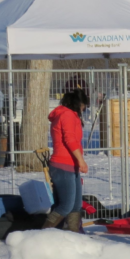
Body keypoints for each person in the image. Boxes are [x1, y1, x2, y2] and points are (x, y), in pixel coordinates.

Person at [44, 88, 89, 232]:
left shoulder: (70, 115)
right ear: (77, 103)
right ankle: (42, 235)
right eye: (83, 105)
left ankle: (74, 235)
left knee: (76, 206)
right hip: (63, 165)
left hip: (71, 166)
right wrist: (81, 160)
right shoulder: (67, 115)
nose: (84, 109)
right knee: (66, 206)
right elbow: (69, 139)